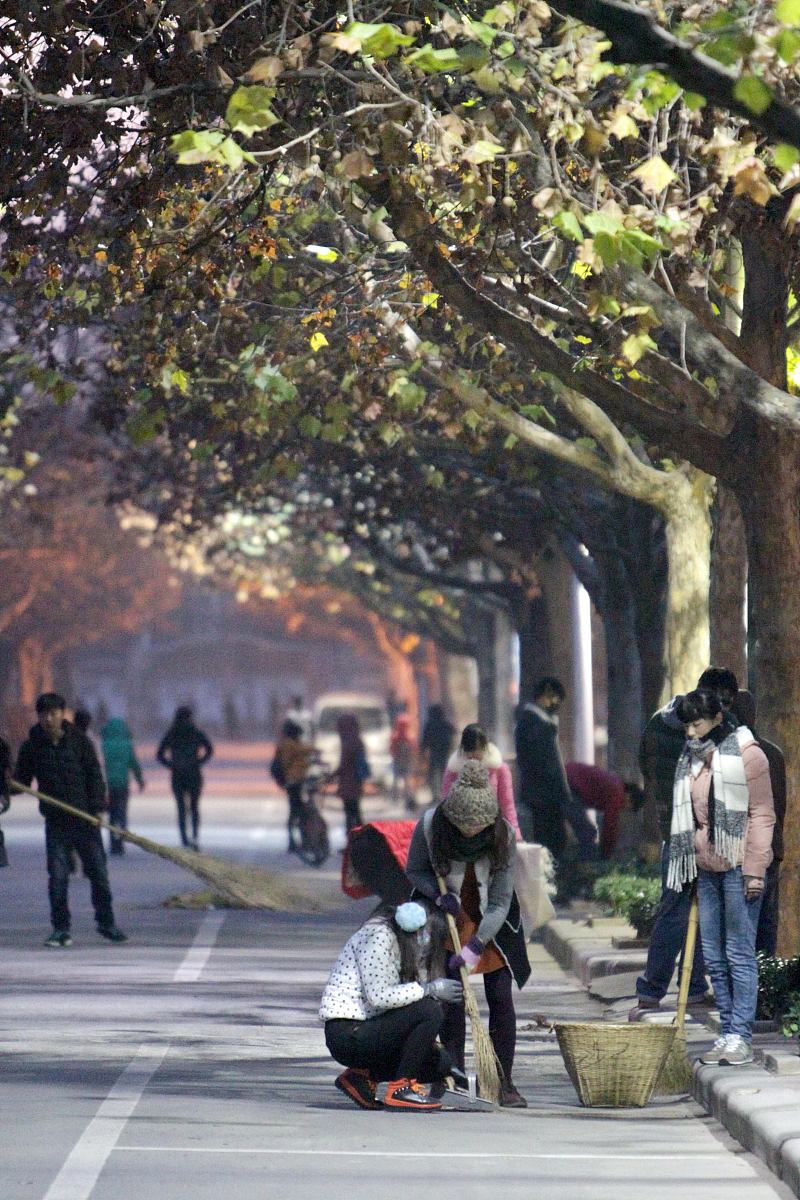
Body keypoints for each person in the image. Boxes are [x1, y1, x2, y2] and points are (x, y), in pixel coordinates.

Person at [406, 760, 531, 1107]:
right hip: (449, 915)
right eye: (464, 828)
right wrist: (436, 893)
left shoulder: (502, 834)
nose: (471, 833)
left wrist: (477, 944)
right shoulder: (431, 826)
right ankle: (453, 1073)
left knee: (500, 997)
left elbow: (502, 900)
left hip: (491, 917)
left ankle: (504, 1080)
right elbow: (414, 870)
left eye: (479, 827)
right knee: (450, 997)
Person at [669, 689, 774, 1066]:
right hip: (707, 867)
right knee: (713, 956)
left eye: (697, 724)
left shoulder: (748, 755)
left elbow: (761, 816)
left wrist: (755, 871)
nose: (691, 733)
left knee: (738, 954)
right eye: (687, 726)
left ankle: (741, 1035)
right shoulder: (692, 759)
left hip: (740, 868)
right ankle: (727, 1031)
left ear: (717, 718)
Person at [629, 668, 741, 1018]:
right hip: (704, 832)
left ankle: (653, 989)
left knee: (673, 911)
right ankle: (690, 986)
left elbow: (644, 767)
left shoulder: (657, 723)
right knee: (705, 910)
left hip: (672, 830)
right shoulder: (717, 730)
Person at [320, 898, 464, 1111]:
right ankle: (400, 1089)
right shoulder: (378, 938)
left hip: (372, 1028)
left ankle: (360, 1078)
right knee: (429, 1010)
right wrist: (429, 989)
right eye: (427, 935)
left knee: (438, 1063)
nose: (426, 943)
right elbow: (379, 997)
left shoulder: (404, 947)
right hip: (349, 1032)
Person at [15, 693, 128, 947]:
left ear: (62, 713)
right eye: (43, 714)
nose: (48, 718)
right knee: (57, 876)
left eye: (53, 713)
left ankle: (107, 923)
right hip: (56, 822)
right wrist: (8, 784)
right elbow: (21, 782)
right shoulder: (32, 746)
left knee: (98, 873)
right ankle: (61, 929)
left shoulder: (79, 741)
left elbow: (94, 775)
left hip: (85, 820)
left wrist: (98, 809)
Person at [731, 690, 786, 957]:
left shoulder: (734, 755)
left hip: (744, 854)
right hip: (772, 849)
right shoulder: (773, 753)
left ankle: (743, 991)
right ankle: (763, 986)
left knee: (741, 930)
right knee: (766, 925)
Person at [514, 677, 573, 857]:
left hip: (544, 793)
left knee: (552, 838)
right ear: (544, 696)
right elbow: (543, 761)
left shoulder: (538, 722)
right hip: (544, 794)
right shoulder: (534, 724)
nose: (555, 703)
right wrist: (559, 789)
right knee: (550, 839)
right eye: (553, 698)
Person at [442, 723, 521, 841]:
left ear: (486, 747)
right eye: (470, 751)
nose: (473, 755)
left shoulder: (499, 769)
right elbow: (446, 805)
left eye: (477, 750)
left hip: (490, 834)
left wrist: (515, 834)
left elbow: (507, 805)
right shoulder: (454, 769)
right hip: (460, 835)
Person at [156, 705, 213, 850]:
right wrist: (199, 761)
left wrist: (171, 764)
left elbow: (160, 754)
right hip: (194, 774)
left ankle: (184, 838)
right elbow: (209, 749)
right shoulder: (195, 732)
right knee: (194, 807)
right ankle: (195, 836)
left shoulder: (172, 733)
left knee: (181, 808)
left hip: (178, 775)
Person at [100, 717, 145, 855]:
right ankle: (121, 842)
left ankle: (114, 844)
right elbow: (133, 763)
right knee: (122, 814)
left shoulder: (105, 745)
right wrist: (140, 780)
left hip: (109, 784)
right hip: (123, 784)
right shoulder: (127, 745)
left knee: (112, 816)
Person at [565, 761, 628, 859]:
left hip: (566, 780)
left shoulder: (615, 784)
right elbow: (610, 825)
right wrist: (606, 854)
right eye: (628, 806)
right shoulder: (617, 794)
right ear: (630, 797)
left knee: (585, 830)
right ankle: (587, 865)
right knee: (588, 832)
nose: (623, 809)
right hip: (569, 785)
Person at [273, 719, 314, 854]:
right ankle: (295, 841)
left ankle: (295, 841)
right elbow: (302, 752)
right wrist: (316, 750)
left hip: (294, 780)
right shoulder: (289, 744)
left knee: (296, 811)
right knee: (297, 811)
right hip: (293, 781)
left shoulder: (287, 743)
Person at [329, 712, 368, 834]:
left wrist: (332, 775)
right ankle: (359, 838)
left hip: (349, 782)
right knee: (355, 810)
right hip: (356, 781)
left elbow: (344, 764)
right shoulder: (357, 740)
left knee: (350, 812)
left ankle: (354, 839)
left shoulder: (348, 742)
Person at [419, 704, 455, 803]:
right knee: (445, 774)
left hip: (434, 753)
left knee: (433, 774)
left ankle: (435, 795)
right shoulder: (445, 723)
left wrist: (422, 752)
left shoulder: (430, 724)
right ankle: (445, 794)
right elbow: (453, 731)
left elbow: (425, 740)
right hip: (445, 752)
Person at [390, 712, 416, 812]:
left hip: (399, 761)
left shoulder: (396, 736)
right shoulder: (410, 736)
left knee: (398, 780)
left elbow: (392, 749)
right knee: (405, 780)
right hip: (406, 762)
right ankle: (406, 797)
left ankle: (396, 797)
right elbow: (414, 749)